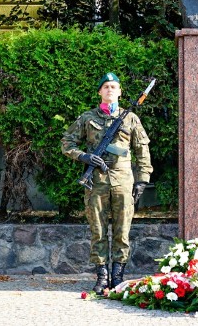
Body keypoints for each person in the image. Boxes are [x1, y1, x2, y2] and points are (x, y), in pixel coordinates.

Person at [61, 72, 153, 295]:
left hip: (123, 180)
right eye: (106, 87)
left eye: (114, 86)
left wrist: (142, 180)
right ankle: (102, 276)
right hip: (97, 181)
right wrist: (84, 157)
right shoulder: (87, 118)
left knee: (122, 230)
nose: (110, 90)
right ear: (100, 92)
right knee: (98, 230)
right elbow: (66, 143)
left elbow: (142, 151)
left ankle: (118, 276)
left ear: (120, 92)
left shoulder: (130, 119)